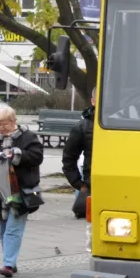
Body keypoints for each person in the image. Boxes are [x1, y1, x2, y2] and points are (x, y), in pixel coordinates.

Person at [0, 106, 44, 278]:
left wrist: (15, 154)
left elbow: (37, 157)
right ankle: (11, 262)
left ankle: (7, 264)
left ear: (14, 121)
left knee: (13, 229)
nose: (1, 127)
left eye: (4, 124)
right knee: (3, 228)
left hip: (20, 189)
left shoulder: (28, 137)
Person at [62, 88, 95, 219]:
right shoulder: (82, 127)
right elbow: (68, 159)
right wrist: (79, 184)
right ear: (93, 101)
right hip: (92, 186)